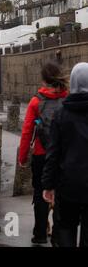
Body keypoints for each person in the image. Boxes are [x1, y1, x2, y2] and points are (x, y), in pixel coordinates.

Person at [18, 61, 68, 244]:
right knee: (61, 194)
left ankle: (39, 234)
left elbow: (26, 132)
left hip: (41, 155)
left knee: (40, 192)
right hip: (63, 156)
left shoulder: (36, 102)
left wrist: (22, 157)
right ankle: (58, 234)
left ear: (43, 80)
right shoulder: (67, 99)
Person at [42, 62, 88, 247]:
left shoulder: (61, 114)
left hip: (67, 184)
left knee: (66, 229)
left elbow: (53, 152)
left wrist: (48, 185)